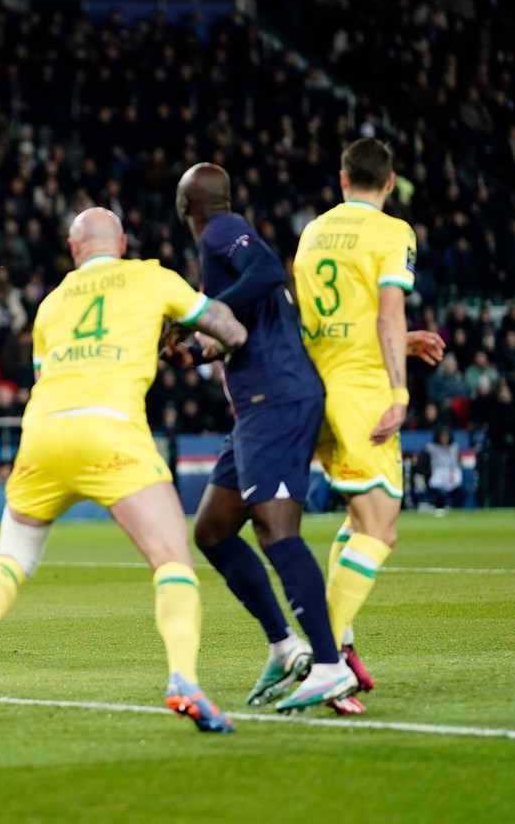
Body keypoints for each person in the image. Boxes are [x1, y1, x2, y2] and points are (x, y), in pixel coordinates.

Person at [0, 208, 248, 733]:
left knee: (12, 559)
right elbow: (230, 328)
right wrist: (196, 346)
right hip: (111, 429)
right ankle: (184, 679)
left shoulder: (51, 303)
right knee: (171, 561)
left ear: (75, 251)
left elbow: (45, 375)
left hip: (43, 433)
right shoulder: (151, 276)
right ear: (121, 242)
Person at [166, 163, 358, 713]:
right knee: (214, 529)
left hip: (276, 396)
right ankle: (284, 645)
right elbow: (238, 334)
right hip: (255, 403)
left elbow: (270, 272)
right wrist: (197, 341)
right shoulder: (220, 246)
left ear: (186, 210)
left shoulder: (223, 230)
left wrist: (210, 310)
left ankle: (328, 663)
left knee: (275, 529)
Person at [291, 138, 415, 714]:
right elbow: (389, 312)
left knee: (355, 518)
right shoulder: (393, 234)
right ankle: (325, 659)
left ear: (342, 180)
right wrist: (399, 390)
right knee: (380, 528)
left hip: (315, 392)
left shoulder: (312, 232)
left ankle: (335, 642)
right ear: (389, 183)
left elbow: (327, 318)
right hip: (363, 393)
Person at [421, 427, 465, 512]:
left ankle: (455, 511)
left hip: (451, 482)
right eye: (442, 436)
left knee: (462, 493)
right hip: (437, 482)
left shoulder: (454, 449)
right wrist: (429, 474)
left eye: (446, 436)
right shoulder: (431, 449)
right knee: (439, 494)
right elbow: (421, 466)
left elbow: (459, 465)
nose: (444, 439)